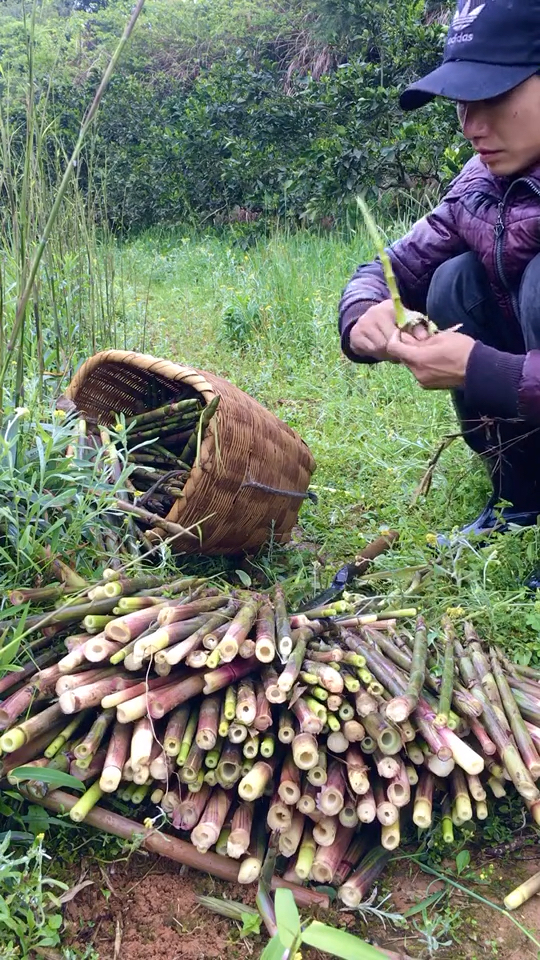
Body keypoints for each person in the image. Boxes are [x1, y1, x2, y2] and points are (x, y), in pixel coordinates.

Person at [338, 0, 540, 557]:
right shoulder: (479, 184)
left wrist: (481, 367)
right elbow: (388, 269)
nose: (473, 125)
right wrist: (365, 317)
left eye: (494, 97)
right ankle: (517, 500)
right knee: (453, 279)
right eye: (462, 102)